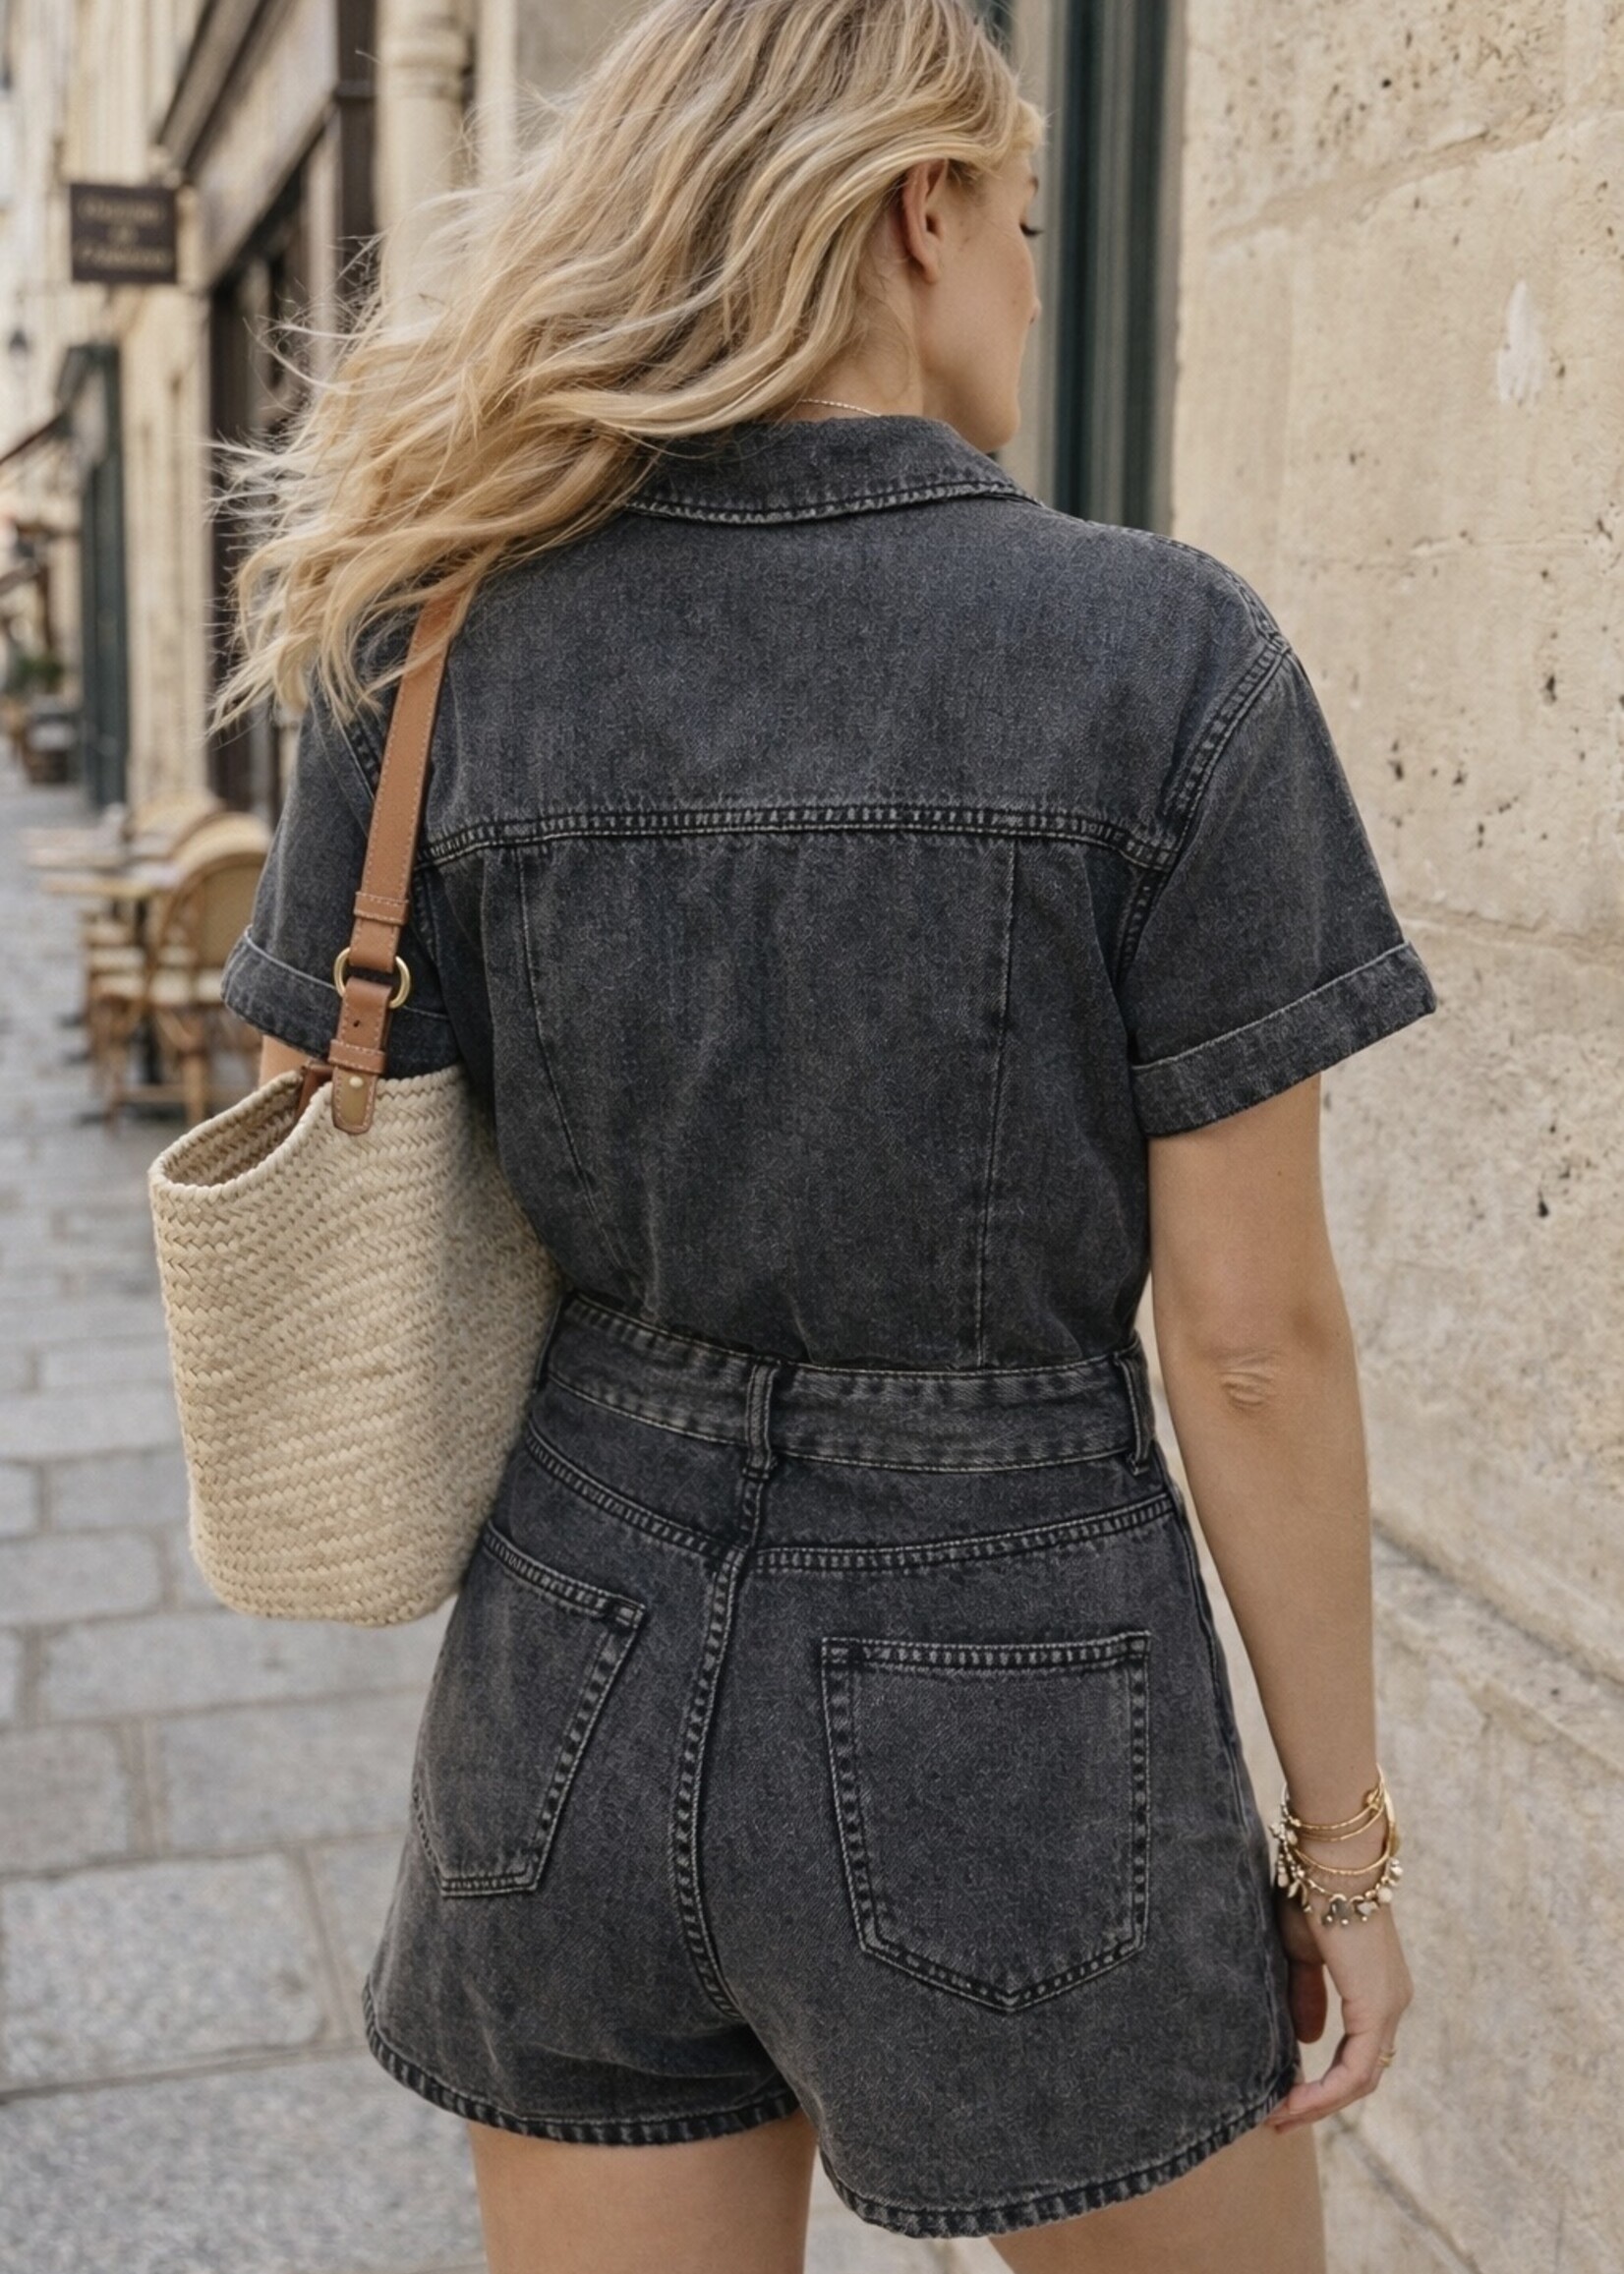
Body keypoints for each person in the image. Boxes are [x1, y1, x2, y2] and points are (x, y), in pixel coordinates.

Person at [217, 2, 1428, 2267]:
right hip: (1022, 1689)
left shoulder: (436, 634)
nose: (1034, 278)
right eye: (1028, 220)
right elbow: (1248, 1338)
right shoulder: (1162, 657)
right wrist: (1338, 1850)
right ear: (915, 211)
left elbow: (335, 1116)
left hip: (563, 1665)